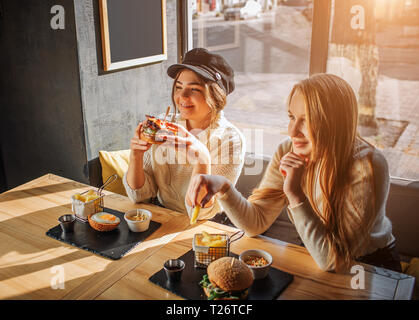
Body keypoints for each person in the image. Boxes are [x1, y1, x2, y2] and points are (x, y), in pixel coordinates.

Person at [187, 73, 401, 273]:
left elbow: (333, 260)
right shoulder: (287, 150)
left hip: (369, 266)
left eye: (307, 120)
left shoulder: (367, 166)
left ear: (334, 123)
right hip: (316, 253)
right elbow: (255, 223)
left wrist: (294, 194)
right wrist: (224, 187)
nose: (292, 131)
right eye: (291, 117)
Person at [123, 48, 245, 220]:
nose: (182, 96)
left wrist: (202, 160)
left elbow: (200, 213)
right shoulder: (162, 125)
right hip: (162, 216)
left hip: (207, 224)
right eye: (178, 87)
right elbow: (139, 196)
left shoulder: (231, 139)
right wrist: (136, 155)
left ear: (216, 95)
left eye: (194, 89)